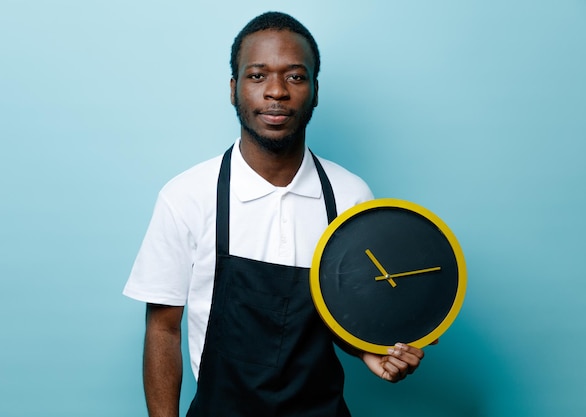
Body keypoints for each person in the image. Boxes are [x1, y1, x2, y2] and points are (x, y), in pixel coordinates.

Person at [124, 11, 432, 417]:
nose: (276, 92)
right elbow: (163, 331)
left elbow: (348, 312)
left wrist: (371, 354)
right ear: (233, 90)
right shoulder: (186, 196)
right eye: (257, 76)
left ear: (315, 91)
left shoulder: (350, 196)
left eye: (295, 77)